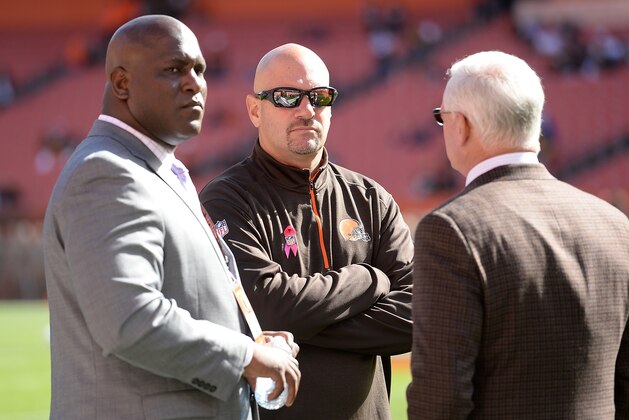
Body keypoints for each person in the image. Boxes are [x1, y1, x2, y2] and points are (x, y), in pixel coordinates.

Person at [43, 15, 301, 420]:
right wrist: (244, 354)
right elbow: (130, 318)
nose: (194, 83)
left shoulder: (152, 168)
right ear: (122, 84)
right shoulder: (107, 172)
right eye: (174, 69)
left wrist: (247, 337)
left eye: (200, 69)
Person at [406, 50, 629, 419]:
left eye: (441, 119)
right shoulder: (616, 225)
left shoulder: (452, 230)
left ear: (460, 125)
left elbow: (441, 397)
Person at [199, 43, 413, 419]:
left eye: (319, 96)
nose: (306, 110)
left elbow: (418, 315)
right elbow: (263, 306)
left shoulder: (370, 198)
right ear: (254, 109)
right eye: (287, 97)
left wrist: (300, 326)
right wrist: (368, 279)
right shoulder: (227, 198)